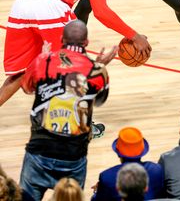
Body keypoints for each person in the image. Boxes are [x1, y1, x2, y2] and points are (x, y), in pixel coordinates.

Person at [0, 0, 151, 107]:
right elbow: (101, 12)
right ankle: (75, 119)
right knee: (72, 65)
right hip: (50, 6)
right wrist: (135, 36)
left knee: (19, 73)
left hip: (20, 6)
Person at [19, 19, 116, 201]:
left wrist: (43, 59)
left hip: (39, 151)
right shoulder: (97, 70)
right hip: (73, 156)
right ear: (86, 43)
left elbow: (27, 88)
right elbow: (99, 101)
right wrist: (100, 67)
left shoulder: (43, 61)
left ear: (62, 39)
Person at [91, 127, 164, 200]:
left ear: (118, 153)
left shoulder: (107, 177)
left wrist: (98, 191)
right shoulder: (157, 170)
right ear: (142, 151)